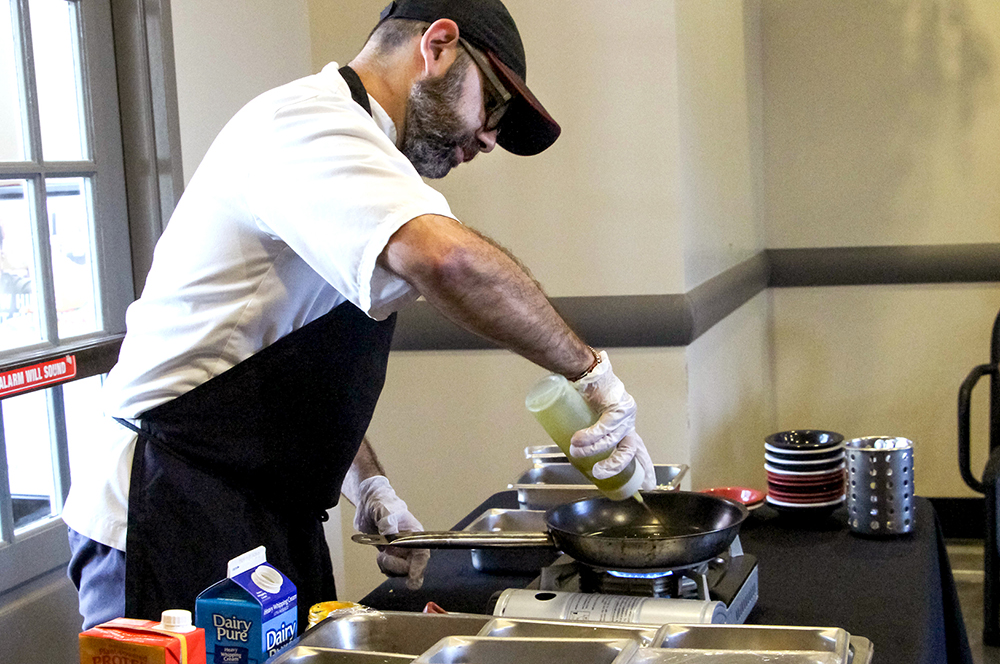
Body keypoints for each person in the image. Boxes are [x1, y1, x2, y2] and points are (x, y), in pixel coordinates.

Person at [63, 0, 656, 631]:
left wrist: (368, 484)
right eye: (495, 106)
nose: (489, 137)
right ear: (439, 45)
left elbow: (286, 361)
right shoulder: (305, 122)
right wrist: (593, 376)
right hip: (166, 507)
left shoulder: (368, 160)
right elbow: (449, 261)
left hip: (261, 509)